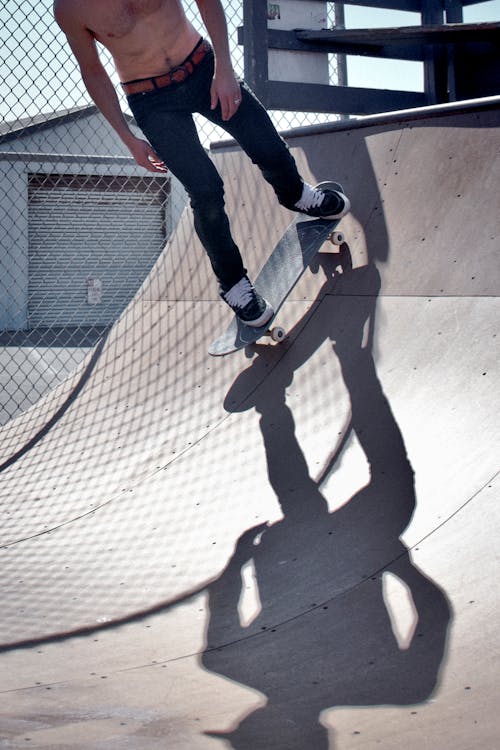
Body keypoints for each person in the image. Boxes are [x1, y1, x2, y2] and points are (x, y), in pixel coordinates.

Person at [54, 0, 350, 326]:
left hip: (202, 67)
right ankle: (234, 284)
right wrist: (128, 138)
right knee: (205, 191)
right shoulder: (71, 8)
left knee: (266, 144)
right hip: (150, 100)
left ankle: (297, 195)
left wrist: (224, 67)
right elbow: (92, 71)